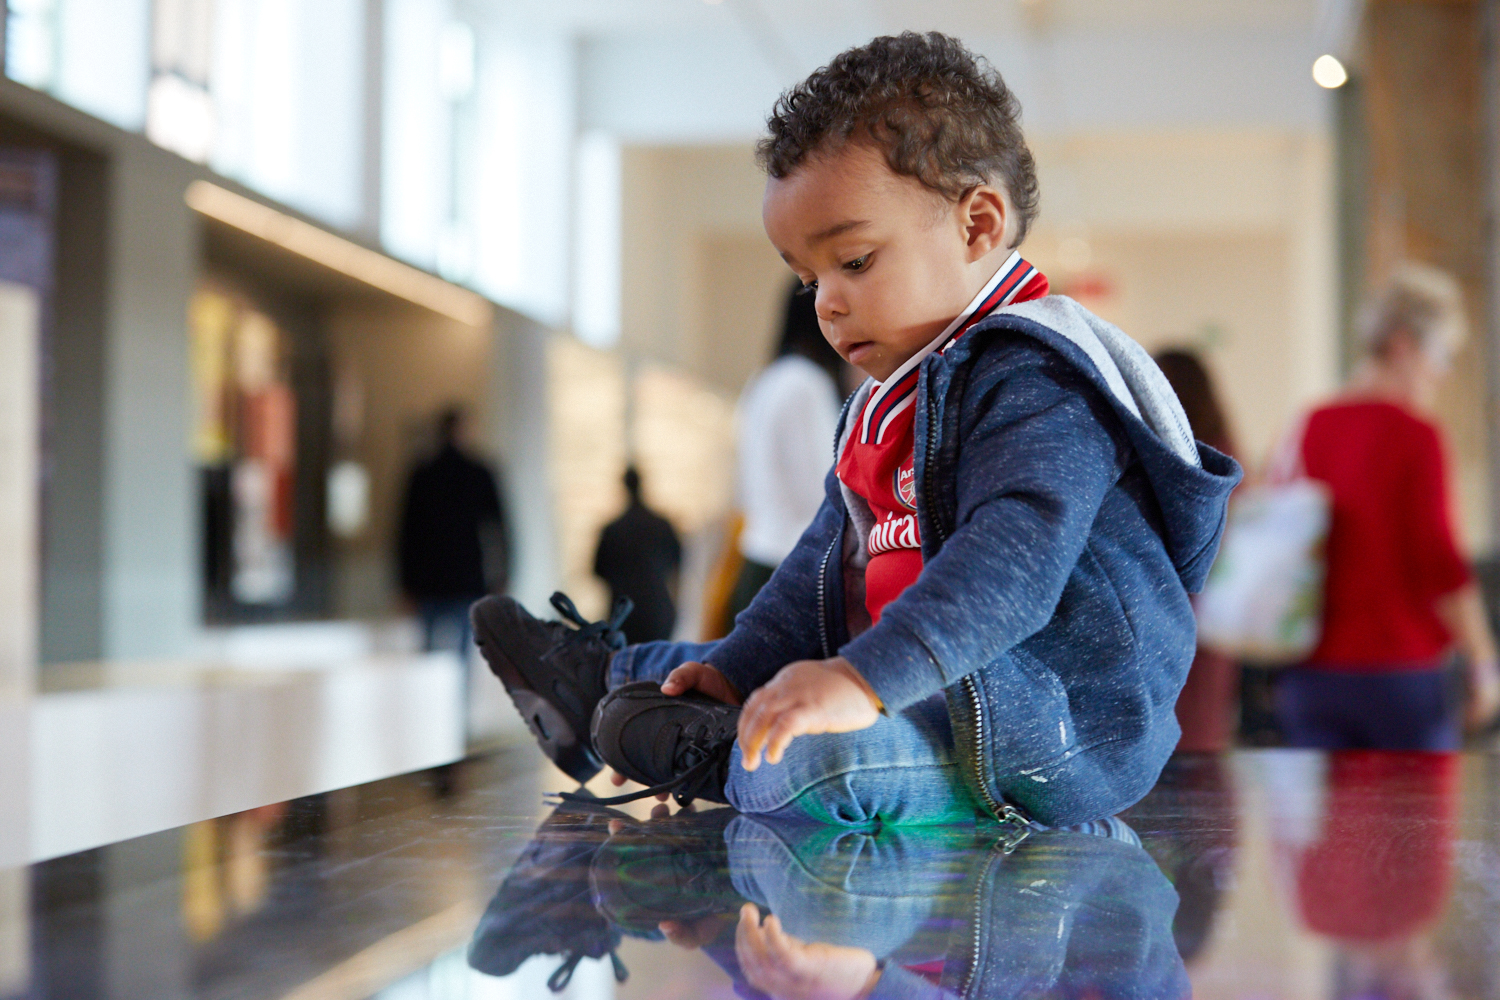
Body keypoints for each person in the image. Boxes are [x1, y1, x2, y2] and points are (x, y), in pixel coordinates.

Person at [472, 32, 1239, 829]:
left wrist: (858, 682)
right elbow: (816, 571)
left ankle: (733, 750)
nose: (826, 304)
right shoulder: (888, 398)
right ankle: (629, 700)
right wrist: (734, 671)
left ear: (978, 225)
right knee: (678, 687)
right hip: (907, 680)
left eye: (856, 262)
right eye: (808, 280)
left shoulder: (1037, 380)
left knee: (813, 761)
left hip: (1035, 732)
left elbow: (1010, 569)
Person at [1274, 265, 1500, 750]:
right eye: (1440, 353)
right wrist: (1483, 660)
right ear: (1402, 343)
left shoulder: (1309, 425)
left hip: (1313, 678)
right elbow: (1439, 560)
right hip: (1401, 676)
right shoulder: (1418, 436)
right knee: (1413, 826)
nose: (1444, 371)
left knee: (1326, 827)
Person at [728, 281, 847, 623]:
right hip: (790, 567)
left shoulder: (764, 380)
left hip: (757, 560)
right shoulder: (805, 384)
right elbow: (823, 493)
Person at [1154, 349, 1241, 752]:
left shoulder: (1149, 449)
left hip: (1154, 611)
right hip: (1211, 611)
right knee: (1203, 742)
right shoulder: (1223, 452)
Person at [397, 407, 508, 656]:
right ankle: (458, 695)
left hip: (430, 579)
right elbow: (500, 529)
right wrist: (503, 574)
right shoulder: (479, 472)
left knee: (429, 653)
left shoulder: (424, 474)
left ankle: (433, 694)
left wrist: (405, 582)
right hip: (466, 576)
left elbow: (406, 534)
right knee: (464, 653)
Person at [593, 467, 683, 645]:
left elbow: (597, 570)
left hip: (624, 613)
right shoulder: (662, 525)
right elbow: (678, 564)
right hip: (658, 611)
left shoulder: (612, 530)